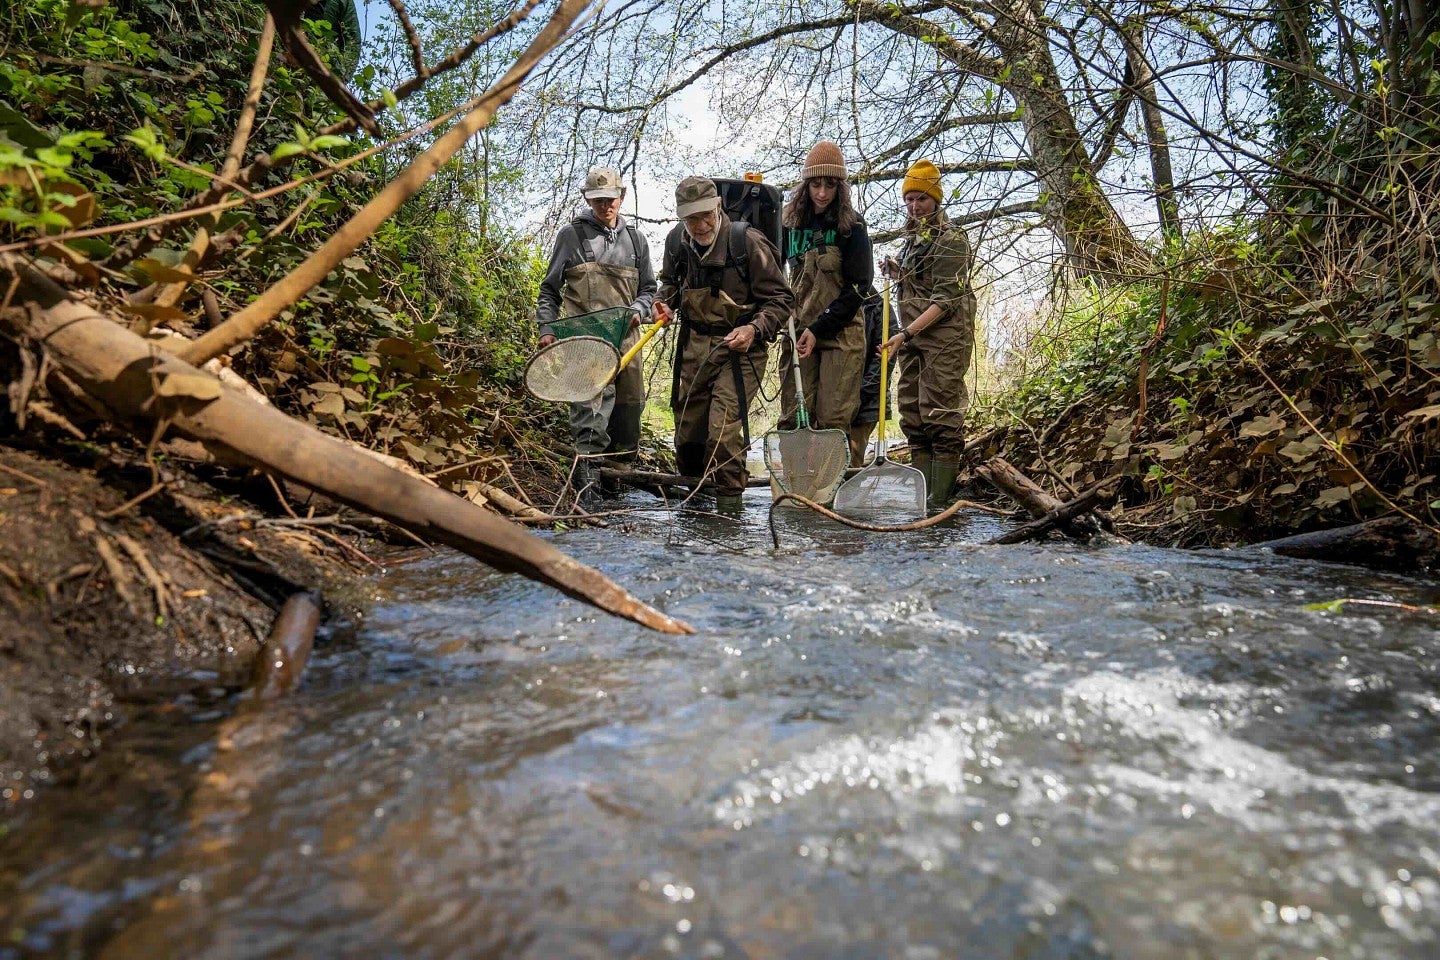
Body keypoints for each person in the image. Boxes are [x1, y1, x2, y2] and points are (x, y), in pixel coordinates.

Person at [653, 176, 793, 512]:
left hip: (740, 350)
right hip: (694, 348)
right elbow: (670, 283)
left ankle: (729, 522)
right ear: (681, 218)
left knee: (722, 435)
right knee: (689, 437)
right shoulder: (677, 242)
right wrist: (662, 302)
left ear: (718, 207)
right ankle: (693, 517)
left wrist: (754, 330)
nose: (699, 226)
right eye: (690, 219)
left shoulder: (747, 242)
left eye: (705, 216)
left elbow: (782, 299)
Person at [536, 166, 657, 504]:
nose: (606, 206)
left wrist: (640, 310)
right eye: (598, 200)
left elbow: (649, 289)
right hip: (584, 346)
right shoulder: (570, 237)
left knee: (628, 421)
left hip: (627, 345)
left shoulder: (637, 240)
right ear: (588, 200)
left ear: (622, 196)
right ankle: (587, 498)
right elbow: (549, 291)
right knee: (590, 421)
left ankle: (616, 498)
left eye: (611, 199)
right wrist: (547, 328)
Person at [878, 159, 976, 511]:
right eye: (908, 200)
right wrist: (898, 271)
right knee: (913, 415)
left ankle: (941, 502)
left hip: (944, 339)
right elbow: (920, 283)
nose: (914, 206)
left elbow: (945, 300)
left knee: (940, 416)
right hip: (914, 340)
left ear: (936, 199)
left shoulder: (952, 241)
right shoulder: (912, 241)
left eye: (921, 198)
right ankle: (924, 499)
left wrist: (904, 334)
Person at [779, 142, 873, 453]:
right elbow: (774, 274)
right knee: (795, 416)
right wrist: (784, 310)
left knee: (832, 419)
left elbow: (859, 287)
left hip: (841, 333)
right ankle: (796, 488)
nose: (822, 193)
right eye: (816, 184)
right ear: (805, 186)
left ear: (840, 187)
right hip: (798, 330)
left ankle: (828, 493)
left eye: (830, 185)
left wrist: (819, 329)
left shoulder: (853, 227)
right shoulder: (789, 225)